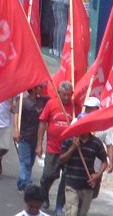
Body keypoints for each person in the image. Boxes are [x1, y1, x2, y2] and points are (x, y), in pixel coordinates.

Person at [36, 81, 78, 214]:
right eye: (63, 95)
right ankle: (44, 197)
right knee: (48, 175)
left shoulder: (75, 107)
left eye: (69, 95)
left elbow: (80, 124)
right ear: (58, 93)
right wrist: (39, 144)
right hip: (52, 148)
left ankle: (59, 204)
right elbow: (42, 124)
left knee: (66, 179)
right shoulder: (51, 104)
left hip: (70, 150)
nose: (66, 97)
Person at [57, 130, 108, 216]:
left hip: (88, 185)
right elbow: (61, 159)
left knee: (82, 213)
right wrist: (72, 148)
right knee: (71, 212)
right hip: (71, 184)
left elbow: (104, 162)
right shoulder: (69, 140)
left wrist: (98, 175)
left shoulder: (96, 142)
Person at [14, 85, 49, 191]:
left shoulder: (43, 100)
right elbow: (16, 115)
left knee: (30, 163)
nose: (42, 88)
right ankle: (27, 184)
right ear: (33, 89)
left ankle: (21, 182)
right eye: (39, 87)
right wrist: (16, 130)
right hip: (24, 137)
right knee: (26, 161)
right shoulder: (23, 102)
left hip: (37, 138)